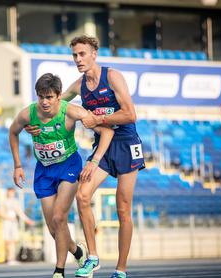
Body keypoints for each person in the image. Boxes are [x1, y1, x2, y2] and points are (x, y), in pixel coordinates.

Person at [26, 35, 145, 278]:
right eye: (74, 55)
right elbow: (53, 104)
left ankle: (121, 270)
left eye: (82, 54)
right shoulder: (79, 85)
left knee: (123, 209)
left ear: (94, 54)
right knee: (82, 195)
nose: (78, 59)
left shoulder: (112, 77)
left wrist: (98, 119)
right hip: (102, 145)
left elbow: (130, 115)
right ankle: (92, 257)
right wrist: (33, 123)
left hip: (126, 143)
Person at [9, 73, 114, 278]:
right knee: (53, 228)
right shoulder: (28, 114)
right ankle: (77, 251)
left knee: (59, 217)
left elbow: (107, 132)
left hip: (68, 165)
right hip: (44, 170)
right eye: (41, 97)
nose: (45, 102)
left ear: (59, 96)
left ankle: (59, 271)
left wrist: (94, 161)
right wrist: (18, 165)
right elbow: (12, 132)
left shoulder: (71, 112)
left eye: (49, 97)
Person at [0, 187, 35, 265]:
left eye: (12, 192)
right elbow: (0, 213)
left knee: (13, 241)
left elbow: (20, 212)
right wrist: (8, 217)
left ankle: (11, 259)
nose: (11, 194)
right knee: (8, 241)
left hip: (13, 223)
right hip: (7, 223)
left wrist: (28, 220)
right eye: (10, 192)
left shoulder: (15, 201)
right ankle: (9, 258)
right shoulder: (4, 201)